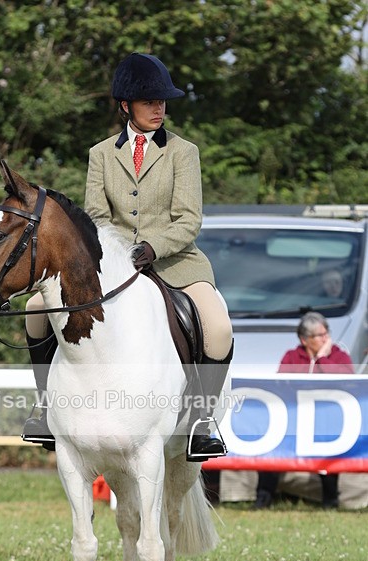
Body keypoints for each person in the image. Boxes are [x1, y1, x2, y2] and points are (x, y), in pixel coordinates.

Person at [23, 52, 233, 460]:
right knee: (35, 309)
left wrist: (152, 247)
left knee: (219, 327)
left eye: (162, 102)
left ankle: (201, 420)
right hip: (114, 265)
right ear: (126, 106)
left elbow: (189, 220)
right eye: (149, 102)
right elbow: (96, 216)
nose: (159, 109)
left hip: (175, 262)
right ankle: (45, 406)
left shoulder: (183, 152)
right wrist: (121, 251)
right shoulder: (101, 153)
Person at [254, 311, 354, 509]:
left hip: (326, 420)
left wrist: (323, 359)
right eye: (320, 335)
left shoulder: (338, 355)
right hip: (293, 419)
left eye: (326, 333)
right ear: (304, 339)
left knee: (328, 457)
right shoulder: (292, 357)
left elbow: (348, 378)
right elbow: (282, 382)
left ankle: (330, 501)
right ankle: (263, 498)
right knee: (271, 453)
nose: (327, 339)